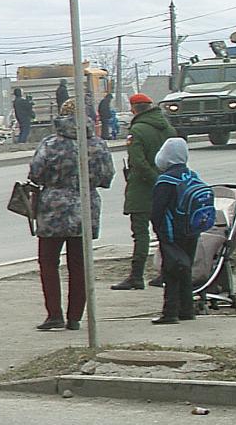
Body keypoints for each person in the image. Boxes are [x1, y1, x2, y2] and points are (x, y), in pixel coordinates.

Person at [26, 100, 113, 332]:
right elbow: (107, 178)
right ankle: (75, 316)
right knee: (79, 264)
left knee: (48, 262)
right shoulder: (97, 145)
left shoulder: (50, 144)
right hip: (86, 207)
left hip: (53, 209)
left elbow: (35, 173)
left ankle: (54, 314)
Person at [111, 93, 169, 291]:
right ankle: (166, 272)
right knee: (164, 232)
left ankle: (136, 276)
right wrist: (164, 181)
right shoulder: (168, 128)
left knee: (141, 234)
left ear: (134, 109)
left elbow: (138, 161)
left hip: (143, 189)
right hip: (168, 188)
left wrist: (154, 179)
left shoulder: (137, 130)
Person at [151, 137, 200, 325]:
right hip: (191, 230)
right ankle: (187, 310)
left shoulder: (165, 180)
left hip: (171, 232)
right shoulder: (192, 175)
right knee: (185, 268)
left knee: (170, 270)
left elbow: (157, 209)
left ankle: (169, 312)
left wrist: (158, 230)